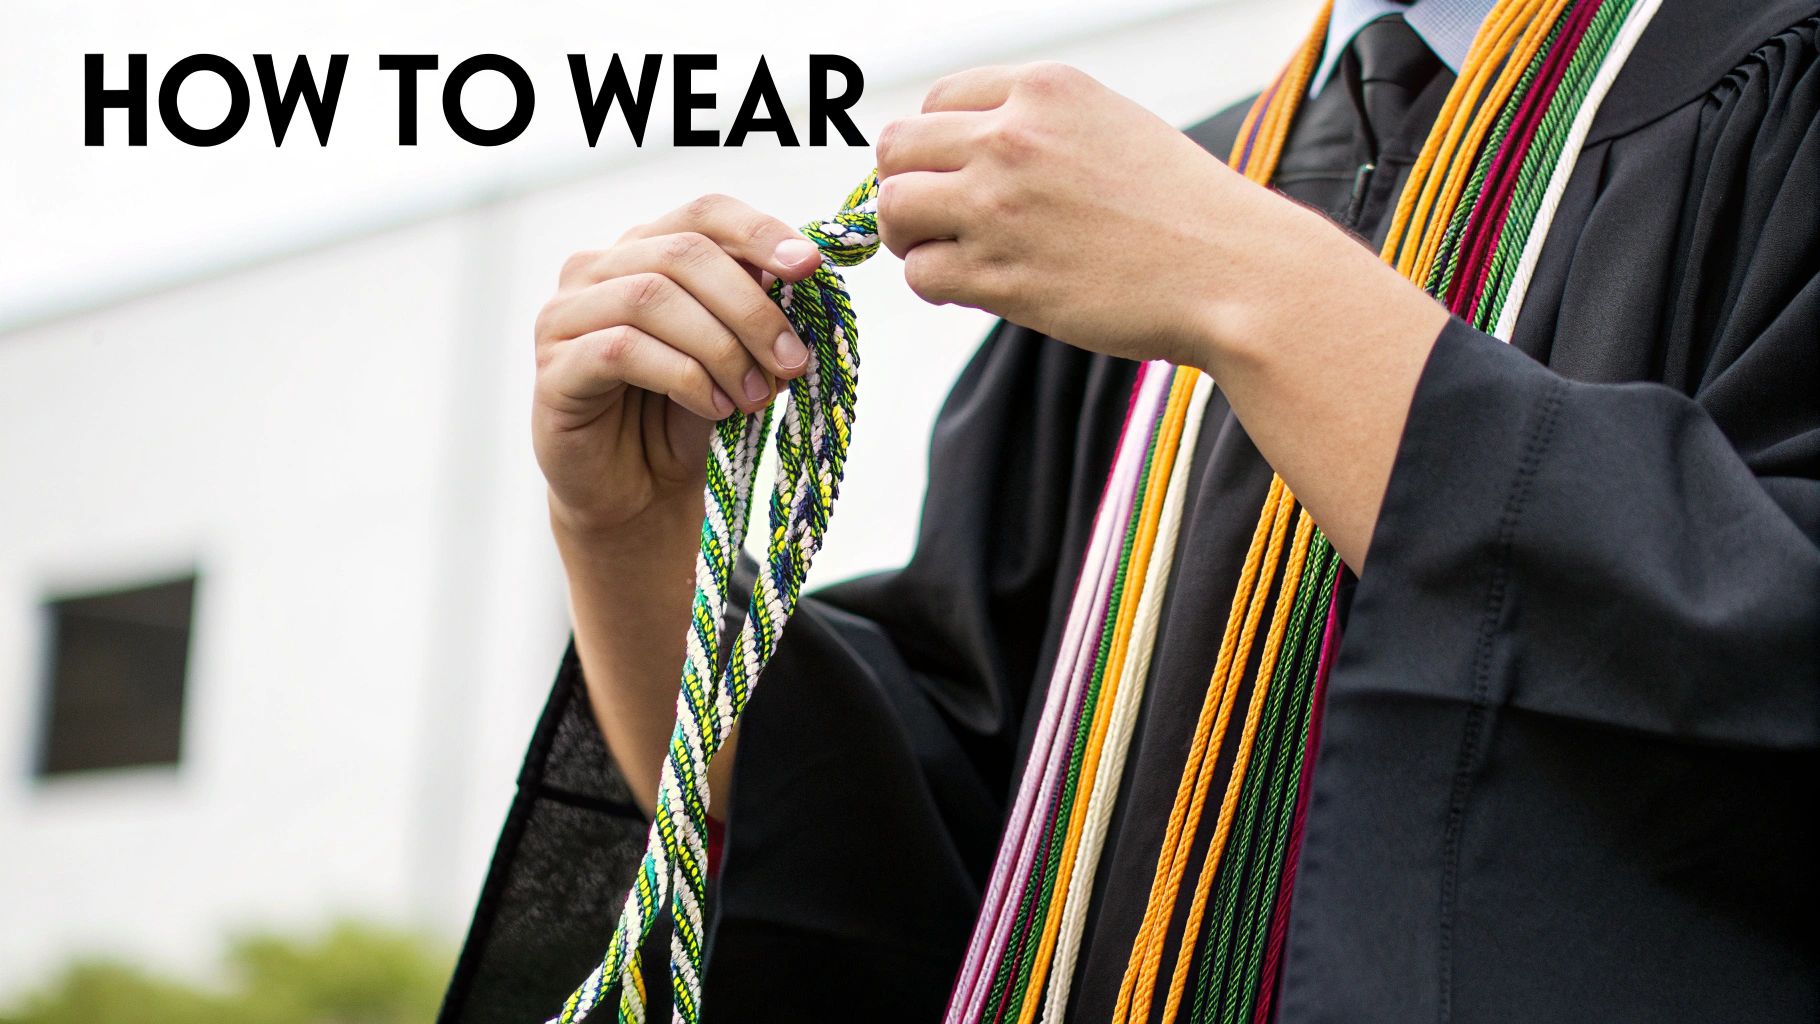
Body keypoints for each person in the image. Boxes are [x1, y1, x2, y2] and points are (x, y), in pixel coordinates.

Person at [438, 0, 1820, 1020]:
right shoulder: (1163, 191)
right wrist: (631, 530)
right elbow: (906, 847)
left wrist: (1253, 288)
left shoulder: (1779, 97)